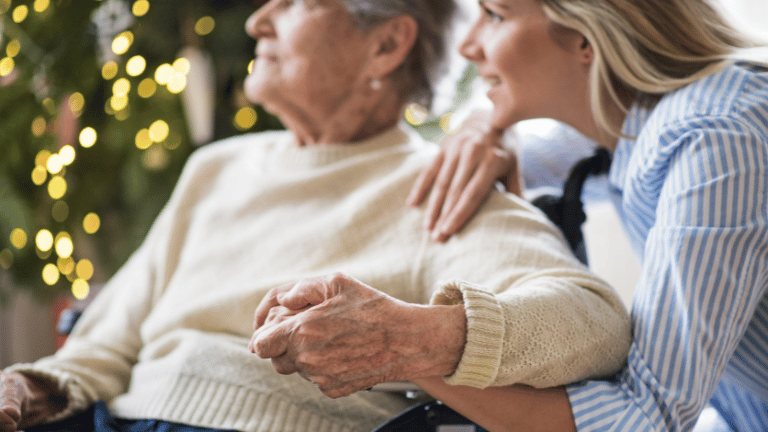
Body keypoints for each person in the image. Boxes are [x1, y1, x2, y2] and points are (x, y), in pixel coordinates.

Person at [0, 0, 632, 430]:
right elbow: (104, 345)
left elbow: (594, 321)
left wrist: (413, 338)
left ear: (386, 45)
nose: (257, 21)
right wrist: (27, 390)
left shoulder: (436, 184)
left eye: (296, 2)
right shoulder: (215, 168)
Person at [400, 0, 768, 430]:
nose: (467, 45)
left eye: (495, 14)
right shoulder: (631, 121)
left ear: (584, 38)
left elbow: (646, 416)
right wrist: (489, 125)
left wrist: (401, 350)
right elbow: (516, 156)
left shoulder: (713, 140)